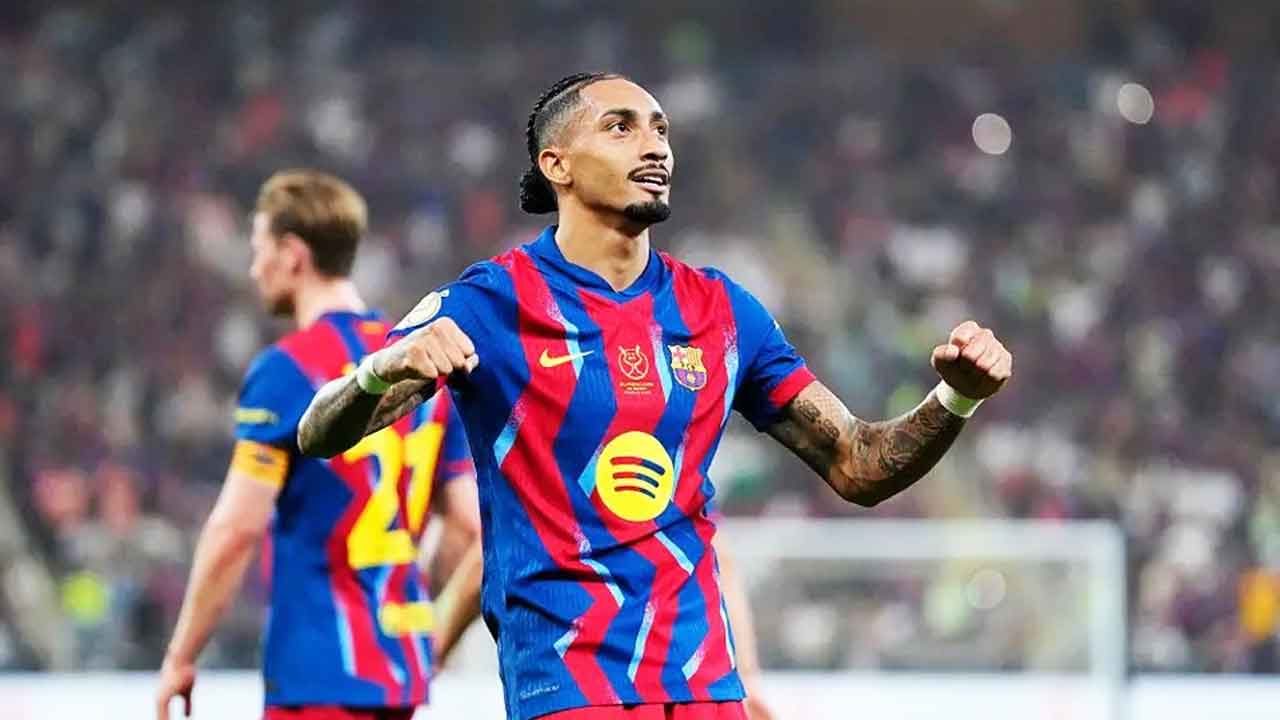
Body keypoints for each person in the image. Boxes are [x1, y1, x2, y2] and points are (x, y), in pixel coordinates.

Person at [296, 72, 1013, 720]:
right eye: (622, 126)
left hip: (704, 683)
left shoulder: (720, 311)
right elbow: (318, 432)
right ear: (556, 165)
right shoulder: (490, 301)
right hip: (568, 681)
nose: (655, 145)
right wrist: (381, 370)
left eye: (661, 129)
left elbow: (858, 463)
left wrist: (955, 398)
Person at [155, 170, 481, 720]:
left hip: (320, 675)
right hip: (399, 678)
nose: (254, 267)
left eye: (258, 249)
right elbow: (471, 530)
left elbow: (236, 530)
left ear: (292, 254)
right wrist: (432, 631)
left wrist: (180, 657)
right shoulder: (417, 359)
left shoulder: (288, 370)